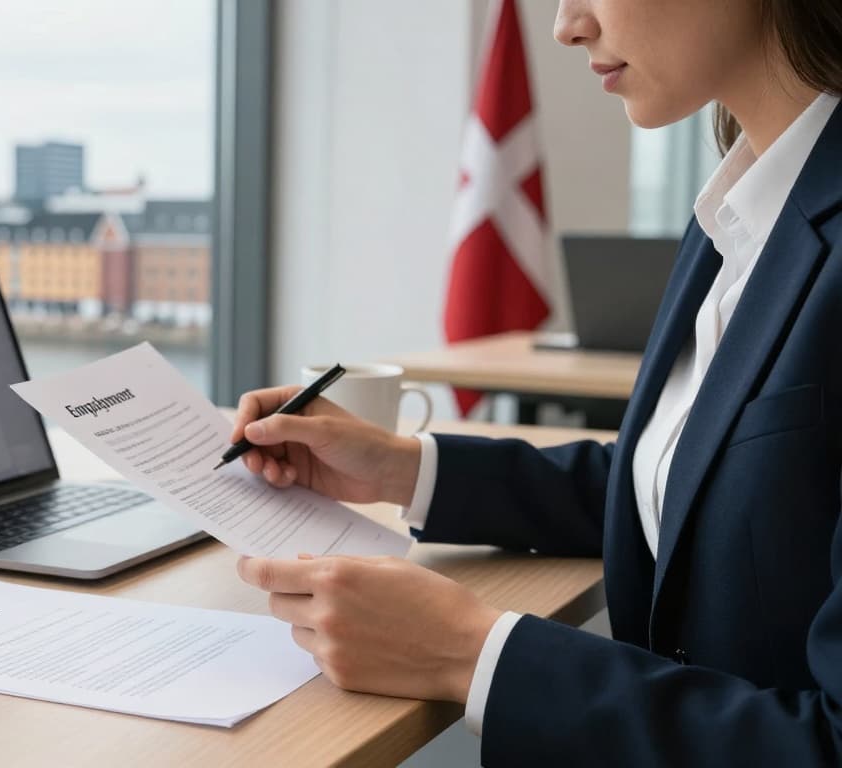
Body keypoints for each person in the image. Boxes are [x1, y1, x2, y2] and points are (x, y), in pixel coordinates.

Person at [231, 0, 842, 764]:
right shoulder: (742, 210)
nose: (567, 24)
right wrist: (404, 467)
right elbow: (696, 487)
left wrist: (470, 652)